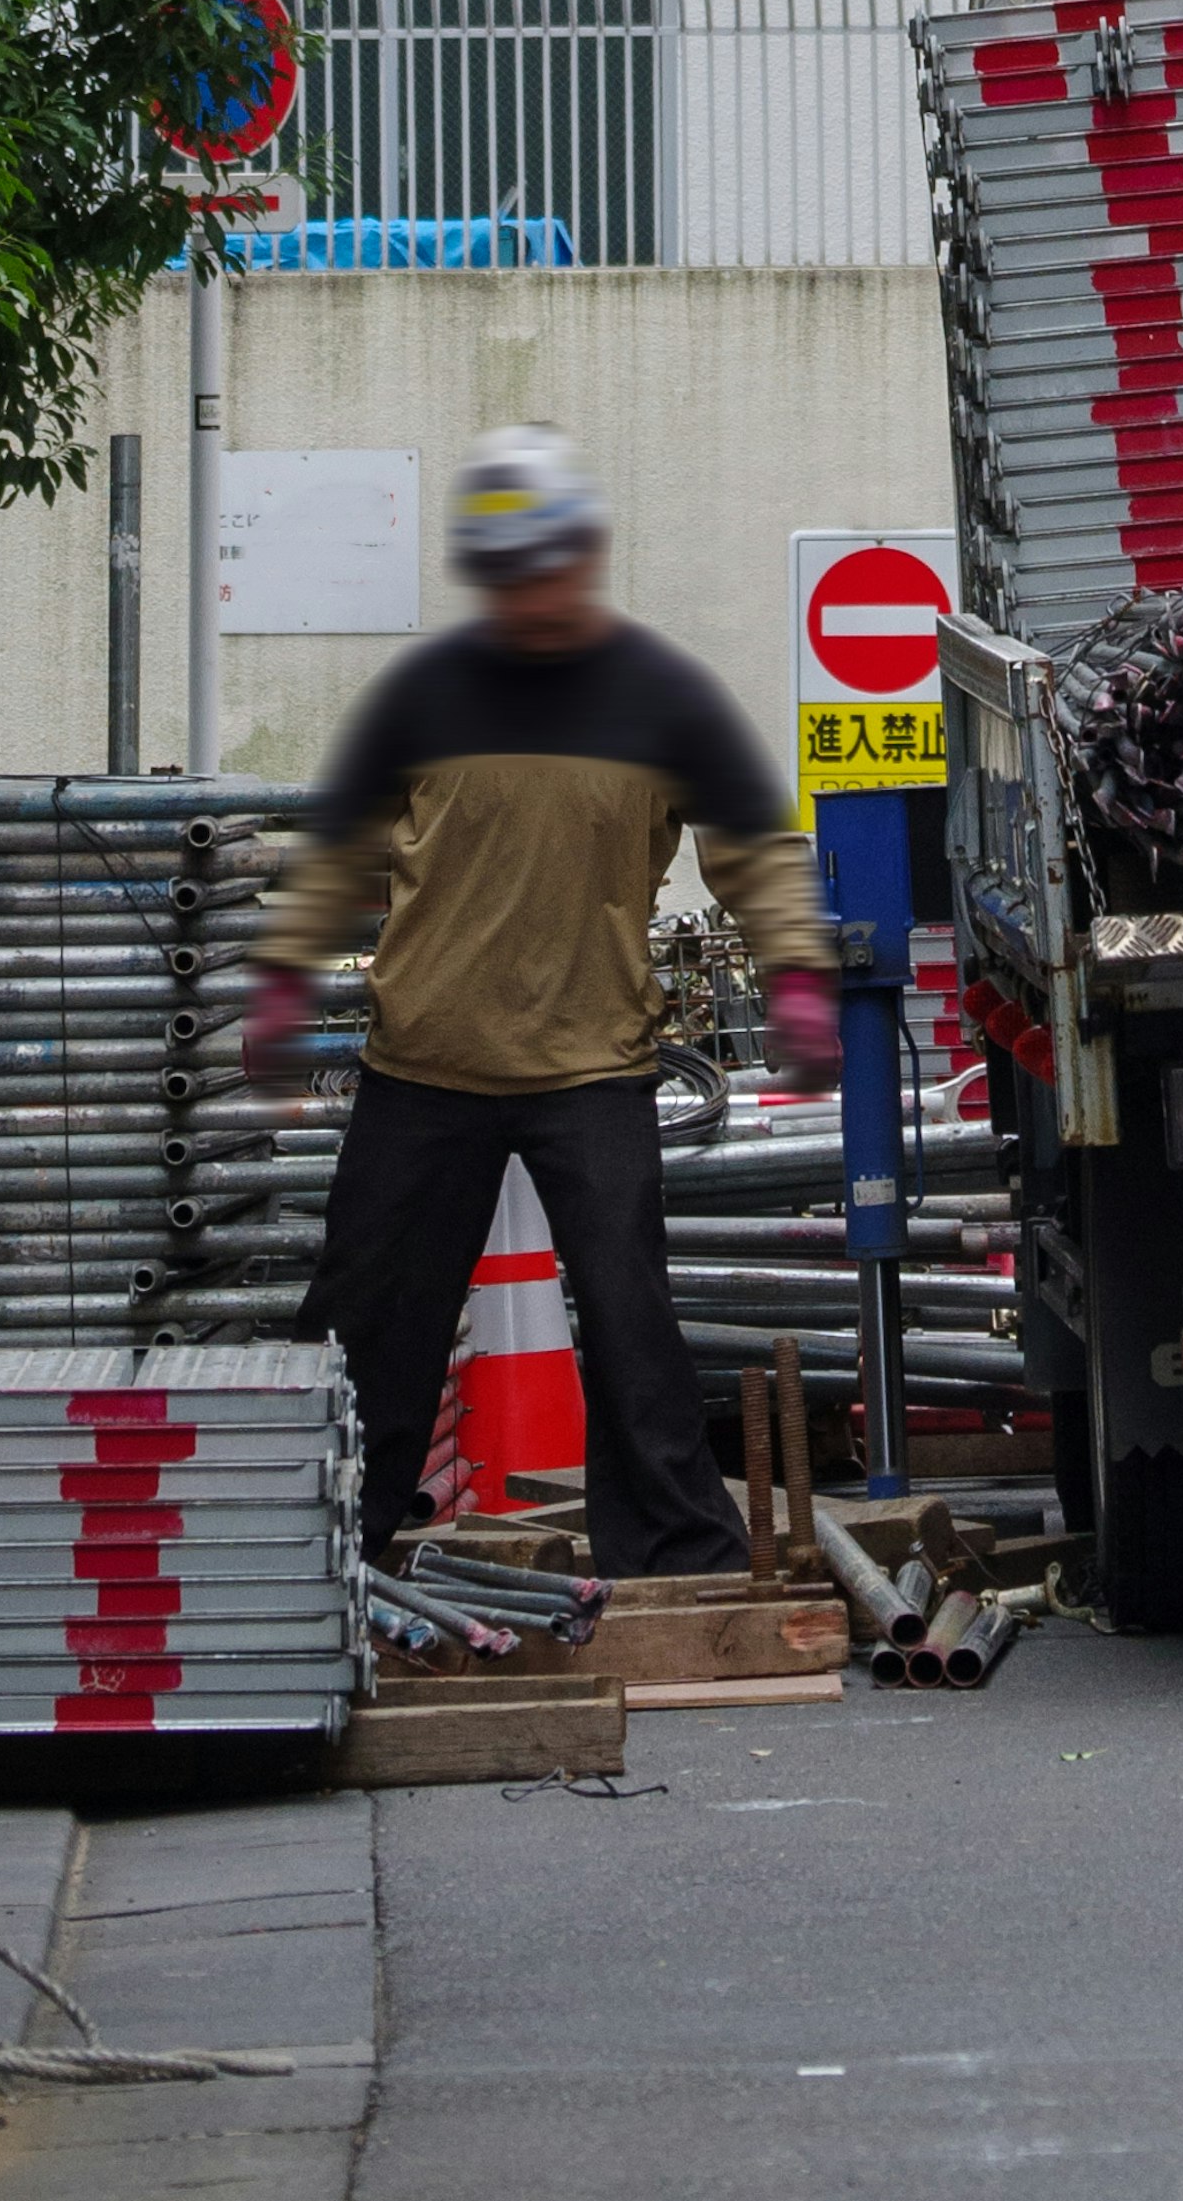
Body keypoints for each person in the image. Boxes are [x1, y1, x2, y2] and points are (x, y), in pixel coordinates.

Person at [245, 424, 844, 1571]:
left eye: (549, 562)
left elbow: (755, 848)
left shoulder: (661, 693)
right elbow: (337, 855)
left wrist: (798, 980)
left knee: (628, 1319)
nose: (531, 591)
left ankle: (671, 1551)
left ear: (585, 554)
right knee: (370, 1314)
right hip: (426, 1062)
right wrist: (282, 982)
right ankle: (324, 1543)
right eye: (507, 570)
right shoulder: (421, 694)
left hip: (592, 1065)